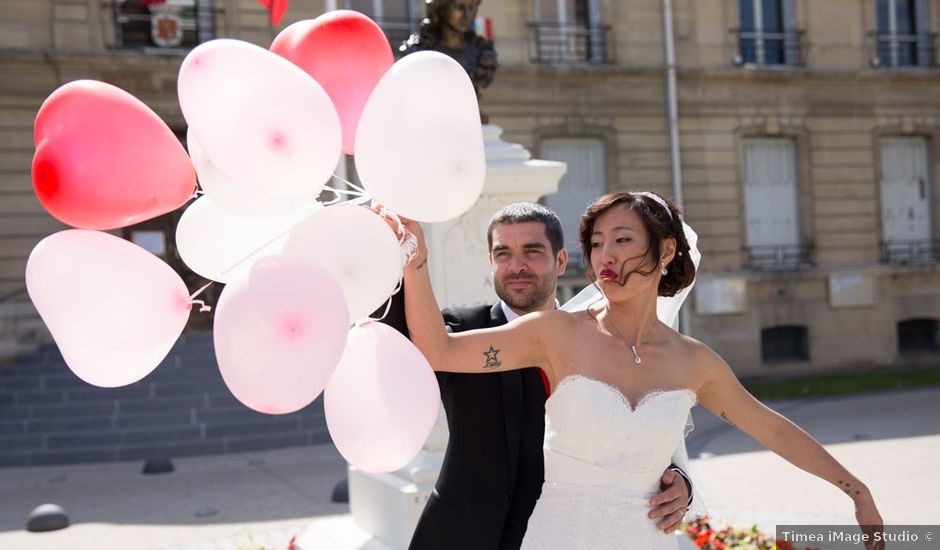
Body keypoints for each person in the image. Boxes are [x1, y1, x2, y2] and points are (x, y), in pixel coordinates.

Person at [399, 192, 884, 549]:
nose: (606, 255)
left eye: (623, 240)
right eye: (597, 243)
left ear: (666, 250)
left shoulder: (693, 361)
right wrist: (415, 258)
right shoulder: (555, 333)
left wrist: (855, 489)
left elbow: (771, 428)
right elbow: (439, 350)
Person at [386, 203, 692, 550]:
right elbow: (401, 347)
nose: (516, 266)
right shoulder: (460, 329)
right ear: (491, 263)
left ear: (561, 261)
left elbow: (637, 427)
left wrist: (679, 480)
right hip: (459, 537)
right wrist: (392, 255)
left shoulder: (604, 345)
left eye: (532, 251)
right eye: (503, 253)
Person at [400, 0, 498, 110]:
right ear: (442, 9)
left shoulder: (483, 53)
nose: (467, 15)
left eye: (471, 8)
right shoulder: (418, 51)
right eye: (459, 7)